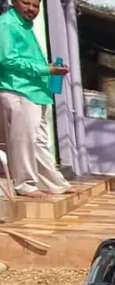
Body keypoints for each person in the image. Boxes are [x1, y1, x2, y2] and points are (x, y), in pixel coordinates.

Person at [0, 0, 71, 198]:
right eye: (26, 3)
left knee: (38, 141)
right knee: (23, 140)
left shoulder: (24, 26)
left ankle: (54, 183)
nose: (32, 9)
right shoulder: (7, 24)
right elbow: (7, 59)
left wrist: (50, 70)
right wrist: (47, 69)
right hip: (18, 89)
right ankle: (25, 185)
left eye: (36, 5)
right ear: (14, 2)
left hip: (35, 91)